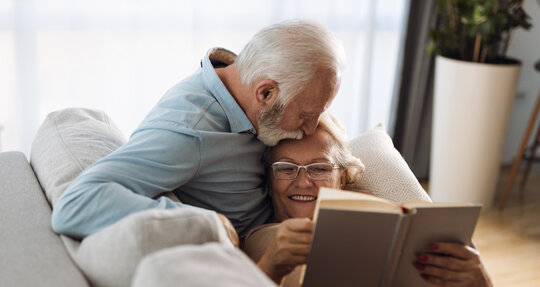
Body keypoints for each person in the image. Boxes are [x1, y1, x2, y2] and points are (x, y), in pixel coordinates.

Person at [51, 19, 345, 243]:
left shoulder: (248, 86)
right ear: (265, 93)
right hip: (264, 256)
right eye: (306, 115)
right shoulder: (189, 132)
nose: (311, 127)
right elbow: (76, 204)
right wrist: (202, 222)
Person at [243, 112, 501, 287]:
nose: (302, 182)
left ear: (343, 178)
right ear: (268, 178)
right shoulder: (256, 242)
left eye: (319, 168)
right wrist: (273, 267)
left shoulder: (390, 236)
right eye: (286, 168)